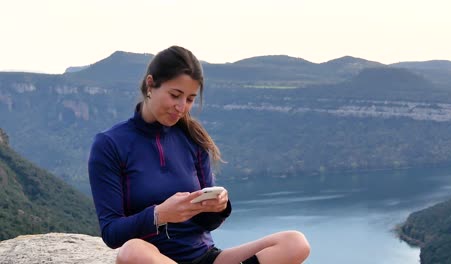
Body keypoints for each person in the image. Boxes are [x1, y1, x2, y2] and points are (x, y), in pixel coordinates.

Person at [88, 45, 310, 264]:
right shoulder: (110, 144)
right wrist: (159, 214)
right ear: (150, 85)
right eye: (175, 95)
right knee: (132, 252)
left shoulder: (193, 139)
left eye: (190, 99)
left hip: (205, 257)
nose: (181, 107)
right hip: (152, 258)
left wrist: (218, 207)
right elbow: (112, 233)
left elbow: (206, 224)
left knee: (295, 243)